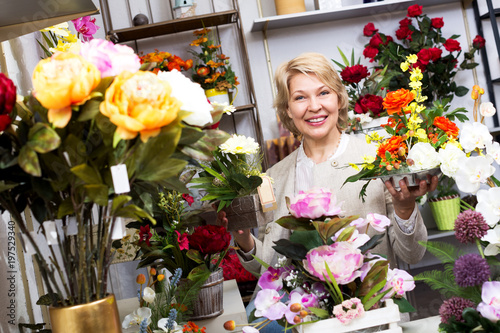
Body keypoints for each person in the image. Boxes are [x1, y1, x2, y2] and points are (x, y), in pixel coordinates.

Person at [220, 52, 438, 332]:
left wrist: (406, 210)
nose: (314, 106)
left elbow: (413, 255)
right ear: (287, 109)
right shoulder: (274, 177)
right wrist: (244, 239)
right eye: (300, 98)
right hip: (307, 324)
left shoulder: (378, 158)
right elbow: (271, 267)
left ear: (338, 98)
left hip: (373, 322)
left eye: (323, 93)